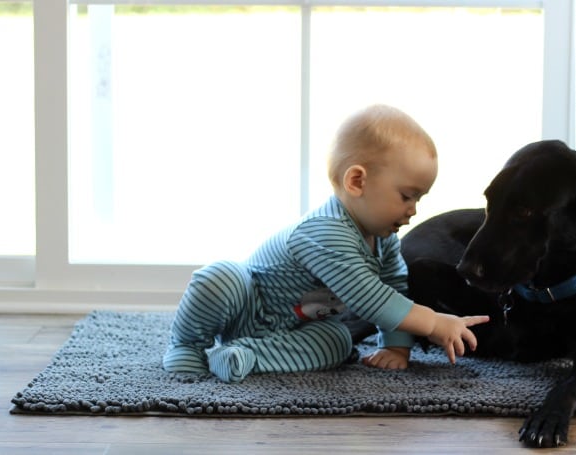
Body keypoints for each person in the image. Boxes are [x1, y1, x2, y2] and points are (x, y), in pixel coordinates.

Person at [162, 104, 490, 382]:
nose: (413, 210)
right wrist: (433, 322)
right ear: (357, 181)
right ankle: (187, 345)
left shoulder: (383, 240)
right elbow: (370, 297)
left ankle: (243, 356)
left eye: (419, 198)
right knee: (221, 277)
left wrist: (395, 347)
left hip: (295, 329)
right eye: (407, 196)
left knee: (336, 341)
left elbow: (394, 288)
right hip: (247, 308)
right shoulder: (326, 232)